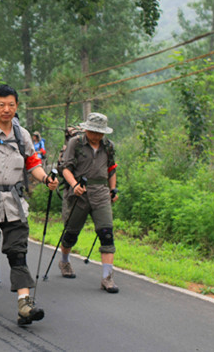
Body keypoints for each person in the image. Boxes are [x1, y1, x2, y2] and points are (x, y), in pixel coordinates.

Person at [0, 84, 58, 326]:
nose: (6, 109)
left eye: (11, 105)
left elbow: (32, 164)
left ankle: (24, 304)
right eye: (1, 105)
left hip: (15, 204)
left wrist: (46, 179)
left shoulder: (22, 134)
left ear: (16, 106)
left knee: (18, 254)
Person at [57, 112, 120, 293]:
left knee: (106, 233)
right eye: (93, 131)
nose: (96, 136)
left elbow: (111, 169)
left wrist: (113, 189)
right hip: (79, 193)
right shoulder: (75, 144)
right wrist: (74, 185)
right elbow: (66, 168)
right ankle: (65, 261)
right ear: (86, 129)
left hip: (101, 193)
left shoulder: (108, 146)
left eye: (100, 132)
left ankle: (107, 278)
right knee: (71, 233)